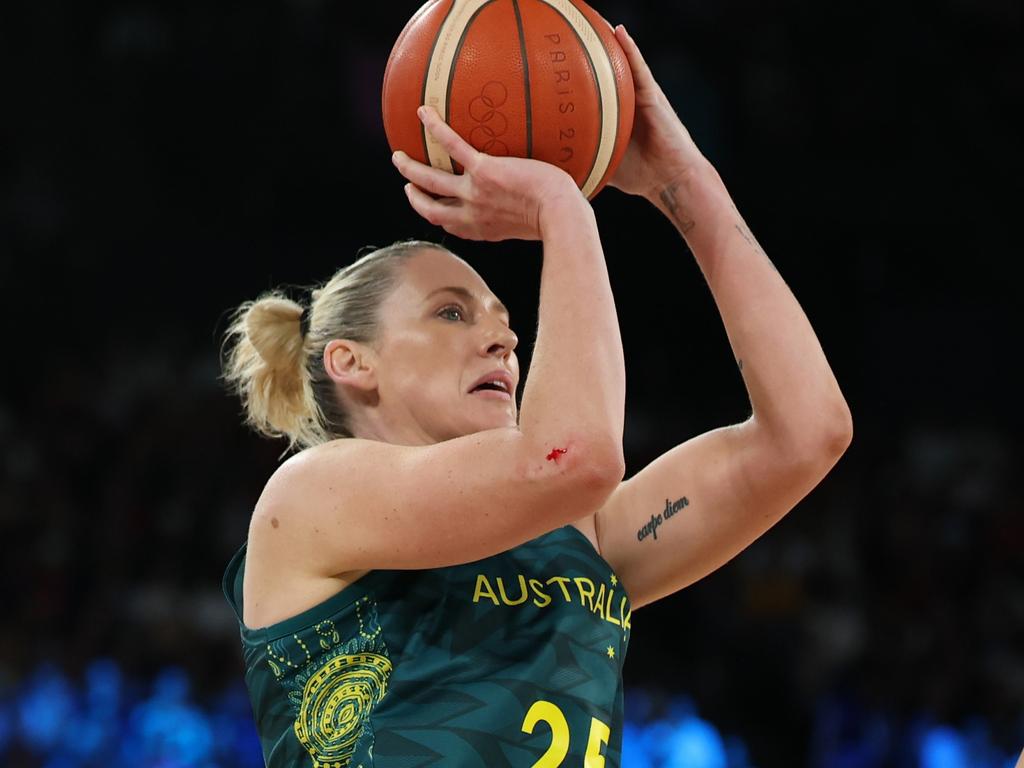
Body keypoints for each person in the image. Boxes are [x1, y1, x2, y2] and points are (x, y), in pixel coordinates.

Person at [219, 25, 852, 768]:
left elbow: (806, 434)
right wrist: (563, 209)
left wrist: (684, 184)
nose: (503, 341)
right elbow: (572, 459)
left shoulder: (585, 542)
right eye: (451, 312)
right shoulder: (312, 497)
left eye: (506, 322)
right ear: (353, 362)